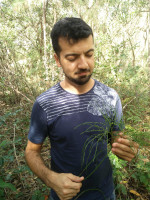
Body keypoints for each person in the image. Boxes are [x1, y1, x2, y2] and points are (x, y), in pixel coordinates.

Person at [25, 17, 139, 200]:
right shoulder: (45, 104)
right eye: (72, 57)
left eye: (89, 54)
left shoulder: (110, 97)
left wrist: (130, 149)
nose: (84, 64)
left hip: (105, 194)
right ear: (57, 59)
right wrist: (51, 178)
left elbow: (118, 141)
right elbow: (31, 151)